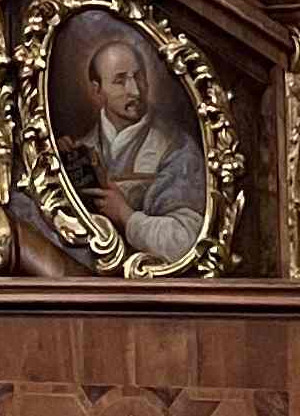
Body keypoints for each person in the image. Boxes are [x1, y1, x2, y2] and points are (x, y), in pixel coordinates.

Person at [69, 29, 205, 263]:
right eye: (120, 80)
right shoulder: (80, 149)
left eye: (138, 77)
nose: (135, 90)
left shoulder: (178, 148)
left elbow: (188, 241)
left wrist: (126, 216)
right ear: (97, 90)